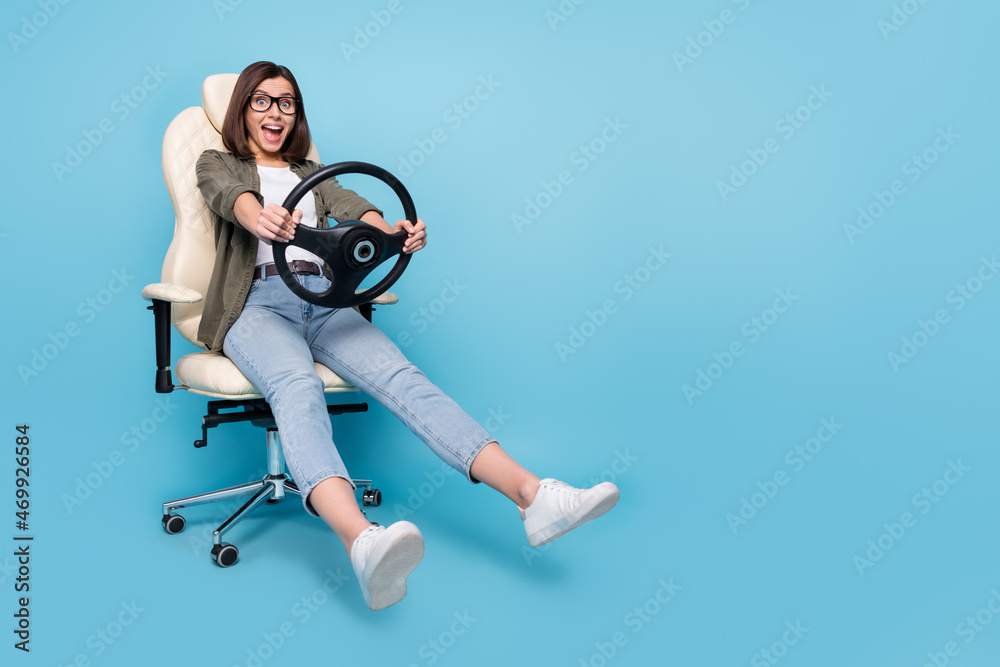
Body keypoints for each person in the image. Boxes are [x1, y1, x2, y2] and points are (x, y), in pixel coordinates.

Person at [195, 61, 619, 610]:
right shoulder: (217, 160)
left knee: (405, 379)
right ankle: (362, 542)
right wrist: (260, 218)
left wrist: (391, 231)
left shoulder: (310, 172)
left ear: (296, 114)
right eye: (261, 101)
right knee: (298, 387)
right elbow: (228, 195)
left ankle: (533, 498)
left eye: (286, 102)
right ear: (242, 110)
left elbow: (353, 207)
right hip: (255, 306)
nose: (275, 112)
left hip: (324, 300)